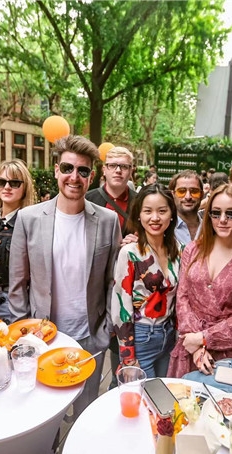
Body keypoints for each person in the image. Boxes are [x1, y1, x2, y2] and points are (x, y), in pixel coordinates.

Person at [8, 135, 121, 418]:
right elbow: (17, 284)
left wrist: (106, 329)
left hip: (91, 337)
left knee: (86, 410)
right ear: (56, 170)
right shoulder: (29, 218)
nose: (74, 177)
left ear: (91, 176)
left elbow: (113, 281)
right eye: (68, 168)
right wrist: (24, 334)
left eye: (82, 171)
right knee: (47, 414)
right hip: (44, 337)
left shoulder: (108, 221)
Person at [167, 184, 232, 378]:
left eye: (231, 213)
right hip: (189, 346)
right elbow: (183, 298)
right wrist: (196, 346)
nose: (222, 220)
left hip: (228, 354)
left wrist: (202, 339)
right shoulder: (193, 250)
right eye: (216, 212)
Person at [112, 184, 182, 378]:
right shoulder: (130, 253)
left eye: (162, 211)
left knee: (163, 392)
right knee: (142, 393)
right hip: (141, 336)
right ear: (139, 215)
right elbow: (121, 306)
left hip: (169, 335)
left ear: (171, 215)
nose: (155, 218)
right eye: (148, 211)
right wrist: (128, 357)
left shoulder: (178, 249)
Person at [86, 146, 138, 389]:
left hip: (127, 286)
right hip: (95, 283)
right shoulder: (89, 199)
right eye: (113, 165)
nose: (118, 170)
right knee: (92, 343)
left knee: (121, 345)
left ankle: (117, 389)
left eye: (124, 166)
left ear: (131, 171)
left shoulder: (140, 202)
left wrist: (139, 240)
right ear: (104, 170)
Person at [0, 159, 35, 322]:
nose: (7, 187)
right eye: (1, 182)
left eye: (14, 183)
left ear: (25, 187)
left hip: (12, 301)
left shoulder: (29, 223)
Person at [168, 170, 203, 245]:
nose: (188, 197)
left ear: (202, 194)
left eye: (194, 191)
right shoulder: (165, 228)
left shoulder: (211, 228)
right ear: (173, 194)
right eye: (181, 191)